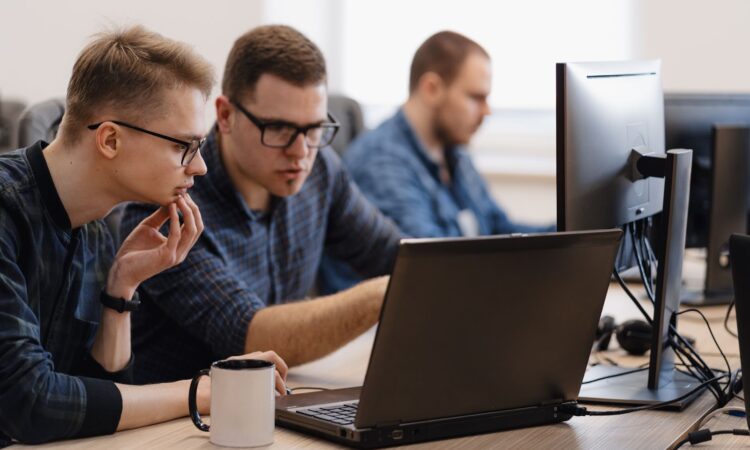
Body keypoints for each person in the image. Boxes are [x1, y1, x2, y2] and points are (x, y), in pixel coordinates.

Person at [0, 26, 286, 446]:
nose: (200, 167)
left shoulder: (94, 227)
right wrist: (203, 390)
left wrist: (120, 290)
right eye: (184, 147)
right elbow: (31, 403)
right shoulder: (6, 210)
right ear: (110, 139)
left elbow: (95, 397)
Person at [119, 25, 402, 384]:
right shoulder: (166, 205)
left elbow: (396, 254)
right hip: (182, 423)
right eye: (280, 129)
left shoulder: (320, 172)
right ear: (225, 115)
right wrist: (384, 293)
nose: (301, 152)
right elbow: (253, 338)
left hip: (270, 402)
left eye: (314, 129)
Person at [318, 31, 554, 293]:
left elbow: (499, 228)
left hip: (456, 301)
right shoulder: (381, 163)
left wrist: (572, 234)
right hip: (388, 320)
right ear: (431, 89)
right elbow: (434, 268)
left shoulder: (453, 152)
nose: (487, 111)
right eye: (476, 98)